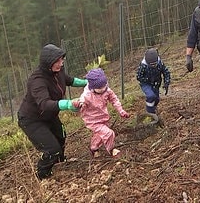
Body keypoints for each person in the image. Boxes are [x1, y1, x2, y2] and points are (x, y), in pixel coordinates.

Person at [17, 44, 87, 180]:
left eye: (62, 60)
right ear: (48, 63)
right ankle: (43, 176)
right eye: (58, 61)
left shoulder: (57, 71)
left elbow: (69, 80)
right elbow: (44, 103)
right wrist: (68, 104)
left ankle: (59, 165)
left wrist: (88, 82)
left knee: (61, 136)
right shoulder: (37, 81)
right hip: (32, 119)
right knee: (51, 149)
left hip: (49, 116)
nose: (61, 63)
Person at [73, 68, 129, 158]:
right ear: (92, 87)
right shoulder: (87, 96)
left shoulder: (106, 90)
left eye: (104, 85)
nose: (103, 89)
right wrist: (78, 104)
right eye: (100, 88)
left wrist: (121, 111)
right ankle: (111, 150)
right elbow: (81, 103)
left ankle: (93, 148)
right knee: (109, 133)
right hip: (92, 121)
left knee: (100, 135)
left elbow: (114, 100)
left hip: (103, 117)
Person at [136, 48, 171, 115]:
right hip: (146, 84)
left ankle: (153, 108)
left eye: (155, 64)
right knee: (151, 96)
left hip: (156, 83)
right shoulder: (143, 66)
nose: (153, 66)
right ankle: (150, 113)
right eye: (151, 64)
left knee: (156, 99)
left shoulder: (160, 63)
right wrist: (147, 80)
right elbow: (139, 77)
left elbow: (166, 72)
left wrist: (166, 83)